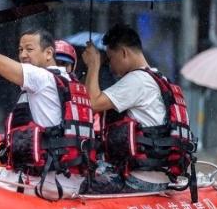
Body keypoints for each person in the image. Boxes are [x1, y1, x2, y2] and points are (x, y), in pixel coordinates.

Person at [0, 0, 95, 200]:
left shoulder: (41, 77)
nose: (23, 55)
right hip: (73, 180)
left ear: (48, 53)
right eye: (20, 50)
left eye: (29, 49)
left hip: (46, 182)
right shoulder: (71, 83)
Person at [82, 23, 195, 193]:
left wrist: (93, 65)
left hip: (140, 180)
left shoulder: (137, 81)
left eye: (111, 58)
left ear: (124, 53)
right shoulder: (159, 78)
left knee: (83, 186)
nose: (110, 66)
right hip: (162, 175)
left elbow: (91, 104)